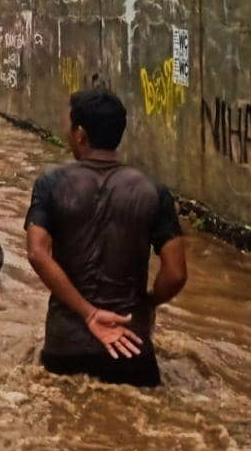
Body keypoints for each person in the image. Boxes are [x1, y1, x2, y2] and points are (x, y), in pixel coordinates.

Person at [25, 89, 187, 387]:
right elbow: (175, 274)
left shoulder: (51, 184)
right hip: (131, 347)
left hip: (66, 345)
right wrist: (147, 303)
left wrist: (89, 314)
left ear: (81, 134)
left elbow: (38, 254)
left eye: (69, 127)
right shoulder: (153, 191)